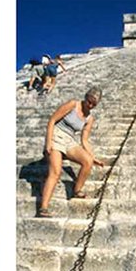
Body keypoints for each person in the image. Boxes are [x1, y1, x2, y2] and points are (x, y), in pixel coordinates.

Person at [37, 86, 105, 218]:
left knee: (87, 161)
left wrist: (92, 156)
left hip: (69, 140)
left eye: (94, 104)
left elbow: (84, 140)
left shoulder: (89, 119)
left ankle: (76, 190)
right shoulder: (73, 104)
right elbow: (52, 121)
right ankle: (43, 208)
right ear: (85, 98)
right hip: (57, 135)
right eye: (89, 101)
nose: (90, 105)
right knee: (55, 173)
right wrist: (48, 142)